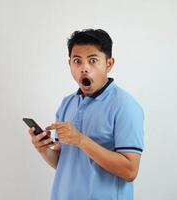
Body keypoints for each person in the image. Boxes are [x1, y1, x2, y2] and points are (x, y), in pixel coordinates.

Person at [29, 29, 144, 200]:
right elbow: (65, 163)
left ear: (109, 64)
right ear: (70, 64)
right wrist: (44, 150)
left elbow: (130, 170)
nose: (84, 68)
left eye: (93, 60)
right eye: (77, 61)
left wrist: (81, 140)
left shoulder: (125, 106)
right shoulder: (67, 103)